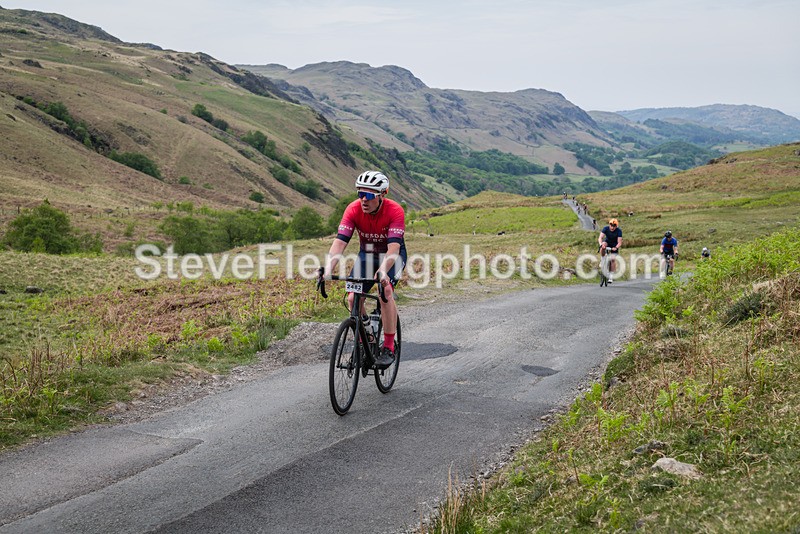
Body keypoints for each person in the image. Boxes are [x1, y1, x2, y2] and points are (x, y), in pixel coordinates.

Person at [319, 170, 407, 369]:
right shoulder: (353, 209)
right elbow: (340, 243)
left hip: (392, 256)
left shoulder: (395, 211)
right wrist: (327, 269)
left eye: (368, 196)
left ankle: (388, 346)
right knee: (352, 298)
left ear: (382, 194)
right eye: (360, 194)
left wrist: (383, 271)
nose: (363, 200)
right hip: (366, 256)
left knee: (385, 291)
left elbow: (394, 248)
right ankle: (365, 337)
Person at [598, 218, 622, 283]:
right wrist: (601, 244)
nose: (612, 227)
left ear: (616, 226)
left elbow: (619, 242)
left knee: (613, 260)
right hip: (607, 242)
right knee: (603, 245)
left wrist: (616, 247)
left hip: (614, 245)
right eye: (611, 225)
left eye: (614, 226)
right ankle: (602, 258)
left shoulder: (619, 231)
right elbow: (600, 237)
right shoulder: (605, 228)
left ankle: (611, 276)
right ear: (609, 225)